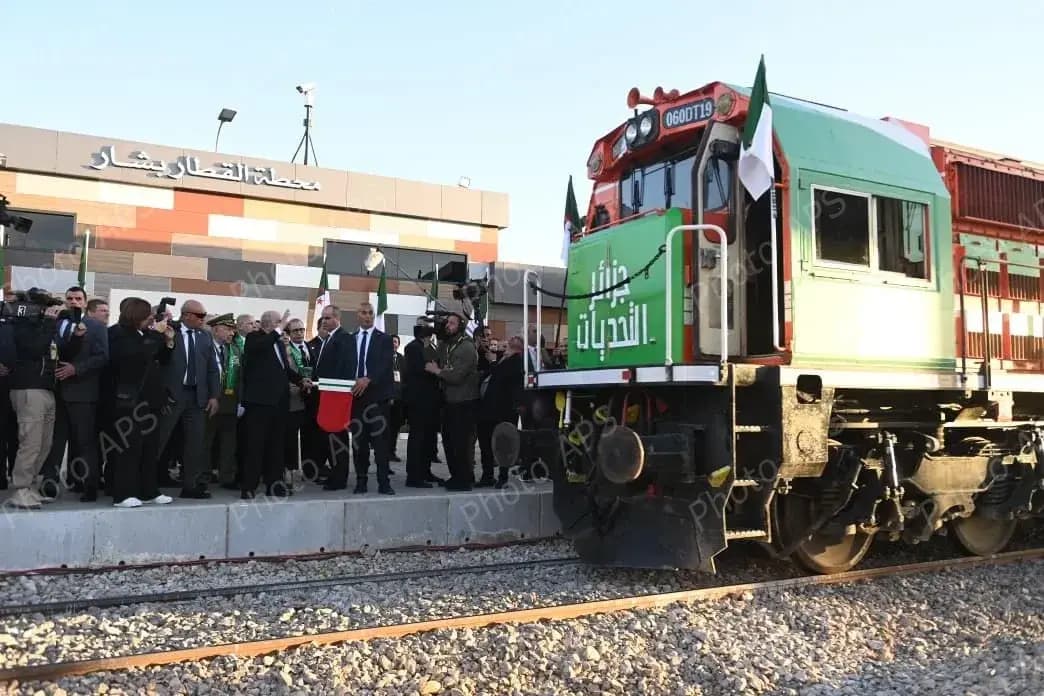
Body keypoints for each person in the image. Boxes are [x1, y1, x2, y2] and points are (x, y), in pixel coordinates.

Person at [1, 291, 79, 509]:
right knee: (31, 442)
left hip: (47, 388)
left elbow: (61, 350)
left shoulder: (45, 327)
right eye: (46, 306)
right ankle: (20, 489)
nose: (51, 310)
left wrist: (76, 333)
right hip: (28, 388)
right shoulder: (22, 325)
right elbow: (33, 349)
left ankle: (31, 486)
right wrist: (49, 323)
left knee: (45, 443)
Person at [40, 287, 109, 501]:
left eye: (78, 298)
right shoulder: (57, 324)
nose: (73, 302)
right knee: (55, 441)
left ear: (85, 302)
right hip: (56, 391)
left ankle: (89, 486)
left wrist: (76, 369)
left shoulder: (96, 326)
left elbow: (102, 357)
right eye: (69, 298)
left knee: (85, 442)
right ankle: (49, 484)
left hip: (83, 392)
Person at [106, 298, 175, 508]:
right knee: (129, 448)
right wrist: (156, 335)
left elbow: (158, 359)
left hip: (150, 400)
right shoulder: (118, 334)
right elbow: (135, 357)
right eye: (148, 315)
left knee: (150, 449)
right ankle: (123, 494)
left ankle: (148, 490)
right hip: (129, 401)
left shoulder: (144, 335)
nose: (151, 319)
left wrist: (167, 341)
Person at [153, 300, 220, 498]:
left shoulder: (204, 336)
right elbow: (157, 363)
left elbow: (212, 368)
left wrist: (214, 396)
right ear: (187, 315)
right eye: (200, 316)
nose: (203, 320)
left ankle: (191, 485)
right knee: (159, 440)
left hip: (197, 396)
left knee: (195, 443)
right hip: (172, 396)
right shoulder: (169, 331)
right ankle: (145, 482)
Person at [240, 310, 306, 499]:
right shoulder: (254, 338)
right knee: (255, 446)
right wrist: (278, 330)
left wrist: (301, 380)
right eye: (280, 322)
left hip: (279, 404)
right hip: (259, 404)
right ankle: (249, 486)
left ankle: (274, 485)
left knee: (276, 446)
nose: (283, 326)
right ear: (269, 323)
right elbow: (260, 347)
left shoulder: (277, 342)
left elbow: (284, 369)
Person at [334, 302, 395, 495]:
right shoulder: (349, 340)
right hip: (356, 399)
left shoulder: (384, 339)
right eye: (364, 313)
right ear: (357, 316)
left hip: (377, 399)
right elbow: (344, 365)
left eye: (370, 313)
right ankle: (361, 481)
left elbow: (385, 364)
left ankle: (384, 482)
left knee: (381, 443)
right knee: (359, 443)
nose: (368, 316)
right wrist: (350, 381)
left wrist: (368, 379)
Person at [426, 313, 479, 491]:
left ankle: (464, 479)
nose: (448, 326)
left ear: (461, 326)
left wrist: (437, 371)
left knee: (461, 443)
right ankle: (457, 476)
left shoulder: (466, 347)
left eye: (452, 323)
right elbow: (438, 357)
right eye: (447, 323)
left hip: (463, 401)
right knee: (449, 441)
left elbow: (457, 376)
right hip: (450, 400)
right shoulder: (448, 344)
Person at [476, 335, 524, 487]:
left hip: (503, 411)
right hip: (487, 409)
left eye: (505, 347)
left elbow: (501, 374)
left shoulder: (516, 362)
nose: (501, 350)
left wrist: (493, 362)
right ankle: (487, 475)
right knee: (485, 443)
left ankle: (502, 478)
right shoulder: (503, 360)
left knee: (503, 445)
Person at [203, 313, 242, 490]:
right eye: (227, 329)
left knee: (229, 443)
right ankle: (203, 475)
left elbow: (241, 377)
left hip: (230, 401)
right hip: (209, 401)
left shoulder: (234, 350)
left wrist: (240, 401)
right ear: (215, 329)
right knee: (206, 441)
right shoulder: (205, 347)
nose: (231, 333)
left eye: (232, 330)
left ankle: (227, 476)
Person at [402, 319, 442, 488]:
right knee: (417, 438)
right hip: (418, 400)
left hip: (431, 400)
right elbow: (422, 368)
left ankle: (425, 471)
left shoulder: (430, 347)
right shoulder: (413, 347)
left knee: (428, 438)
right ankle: (413, 475)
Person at [387, 335, 404, 463]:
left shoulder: (401, 358)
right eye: (392, 342)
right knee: (385, 427)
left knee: (395, 426)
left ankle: (392, 451)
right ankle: (383, 453)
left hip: (399, 398)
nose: (394, 344)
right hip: (387, 397)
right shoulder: (383, 357)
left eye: (396, 342)